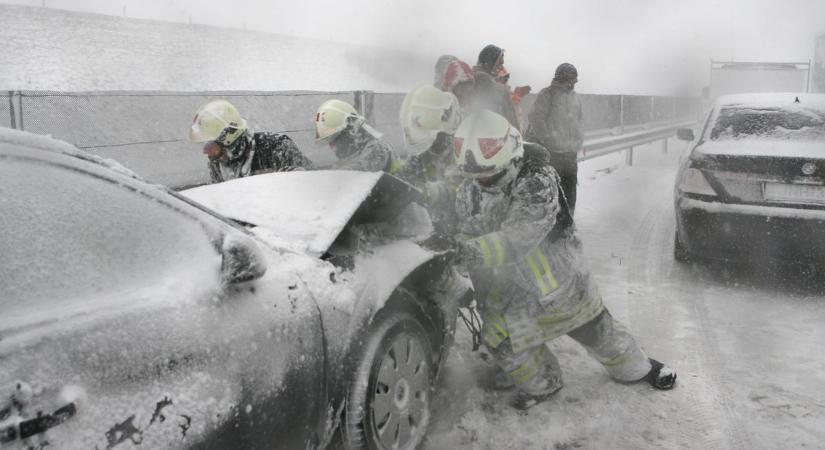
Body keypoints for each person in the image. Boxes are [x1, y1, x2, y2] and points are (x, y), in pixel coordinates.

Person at [448, 110, 676, 410]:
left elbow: (521, 234)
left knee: (597, 331)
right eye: (475, 175)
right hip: (507, 290)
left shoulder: (537, 178)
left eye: (488, 173)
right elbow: (470, 225)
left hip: (559, 283)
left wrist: (470, 252)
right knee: (504, 343)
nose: (482, 181)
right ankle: (544, 383)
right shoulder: (470, 187)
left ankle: (636, 368)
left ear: (510, 155)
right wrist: (452, 245)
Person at [188, 100, 313, 183]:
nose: (205, 151)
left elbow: (309, 185)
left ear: (228, 138)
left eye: (209, 144)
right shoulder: (216, 162)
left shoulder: (276, 147)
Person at [397, 84, 463, 234]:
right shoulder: (422, 153)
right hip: (433, 227)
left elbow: (462, 192)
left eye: (433, 139)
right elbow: (406, 176)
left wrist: (431, 192)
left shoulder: (466, 148)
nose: (430, 148)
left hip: (463, 232)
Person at [526, 62, 584, 215]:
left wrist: (580, 139)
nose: (575, 82)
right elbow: (535, 117)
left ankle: (568, 226)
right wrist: (547, 138)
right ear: (563, 77)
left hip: (571, 153)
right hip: (554, 154)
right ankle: (553, 230)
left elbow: (579, 120)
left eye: (576, 79)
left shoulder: (575, 97)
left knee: (570, 191)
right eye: (573, 79)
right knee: (553, 193)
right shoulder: (548, 94)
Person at [314, 99, 399, 173]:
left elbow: (350, 176)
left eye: (334, 139)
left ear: (351, 130)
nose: (332, 147)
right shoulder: (353, 157)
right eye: (328, 142)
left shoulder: (377, 150)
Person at [465, 44, 520, 128]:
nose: (501, 68)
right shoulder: (484, 80)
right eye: (500, 64)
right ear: (490, 63)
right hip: (489, 136)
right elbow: (512, 126)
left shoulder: (469, 78)